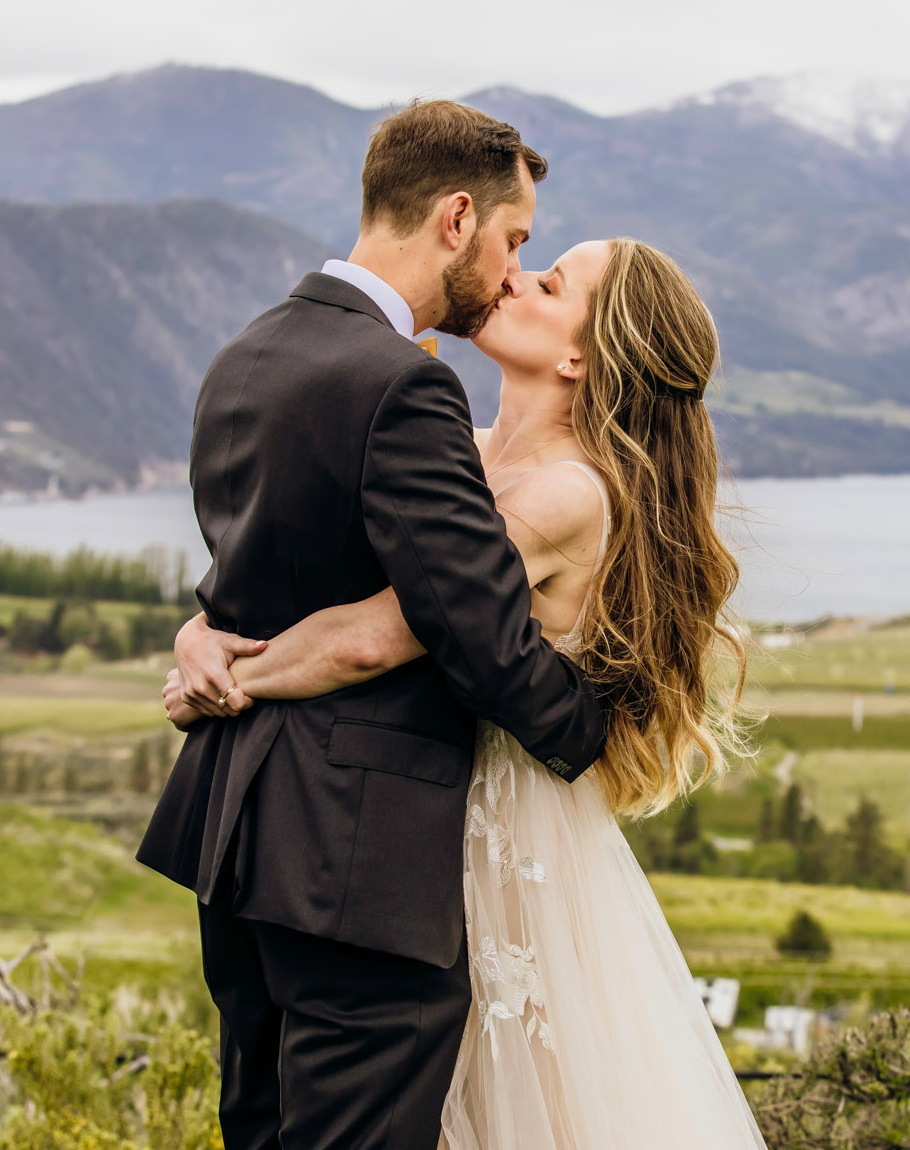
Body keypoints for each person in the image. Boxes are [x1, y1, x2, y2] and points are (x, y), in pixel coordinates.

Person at [167, 234, 768, 1148]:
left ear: (578, 356)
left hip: (480, 826)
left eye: (552, 281)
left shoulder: (565, 494)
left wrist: (216, 678)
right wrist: (199, 627)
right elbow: (306, 582)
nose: (517, 277)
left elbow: (374, 633)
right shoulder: (468, 449)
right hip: (402, 809)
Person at [137, 100, 612, 1150]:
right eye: (511, 240)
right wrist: (594, 728)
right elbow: (474, 628)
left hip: (237, 830)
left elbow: (252, 581)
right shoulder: (404, 385)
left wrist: (201, 642)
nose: (506, 271)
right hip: (353, 857)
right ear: (454, 218)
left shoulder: (246, 355)